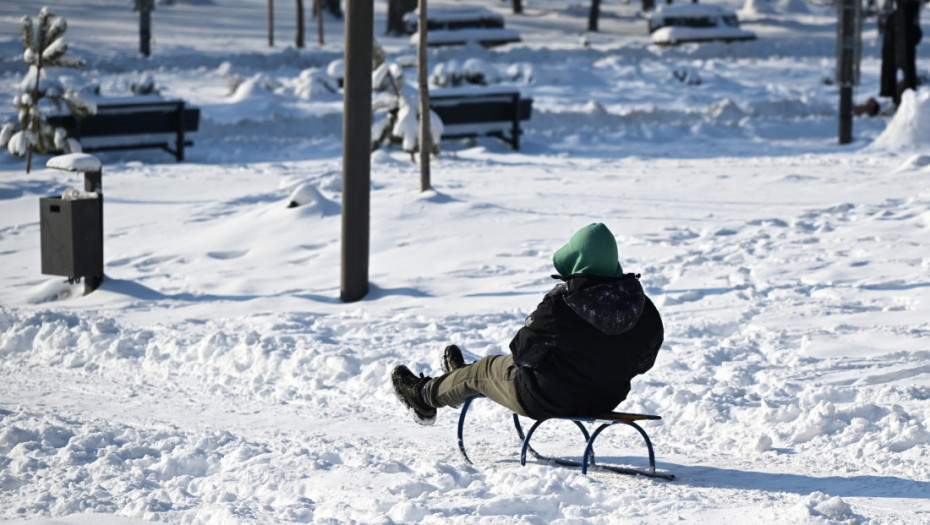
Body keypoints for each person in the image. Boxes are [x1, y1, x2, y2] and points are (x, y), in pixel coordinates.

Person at [391, 223, 664, 425]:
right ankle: (458, 378)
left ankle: (423, 397)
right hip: (606, 398)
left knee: (485, 369)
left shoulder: (563, 306)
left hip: (545, 398)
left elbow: (522, 352)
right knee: (482, 373)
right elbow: (644, 362)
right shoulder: (643, 307)